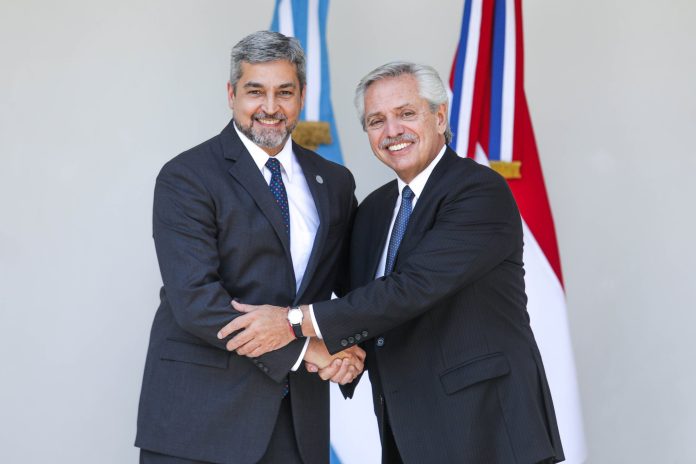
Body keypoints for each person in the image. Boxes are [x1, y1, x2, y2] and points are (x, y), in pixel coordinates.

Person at [219, 61, 565, 463]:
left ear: (439, 116)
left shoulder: (479, 191)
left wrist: (291, 322)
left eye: (406, 114)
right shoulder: (374, 211)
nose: (392, 131)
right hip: (406, 431)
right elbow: (360, 301)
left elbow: (410, 289)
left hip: (488, 431)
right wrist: (338, 354)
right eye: (376, 121)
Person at [135, 31, 365, 464]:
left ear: (301, 96)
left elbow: (355, 286)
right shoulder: (187, 177)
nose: (271, 108)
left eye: (285, 92)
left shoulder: (333, 181)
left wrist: (349, 347)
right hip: (201, 421)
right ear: (231, 94)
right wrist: (307, 349)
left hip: (298, 422)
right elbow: (196, 301)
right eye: (255, 91)